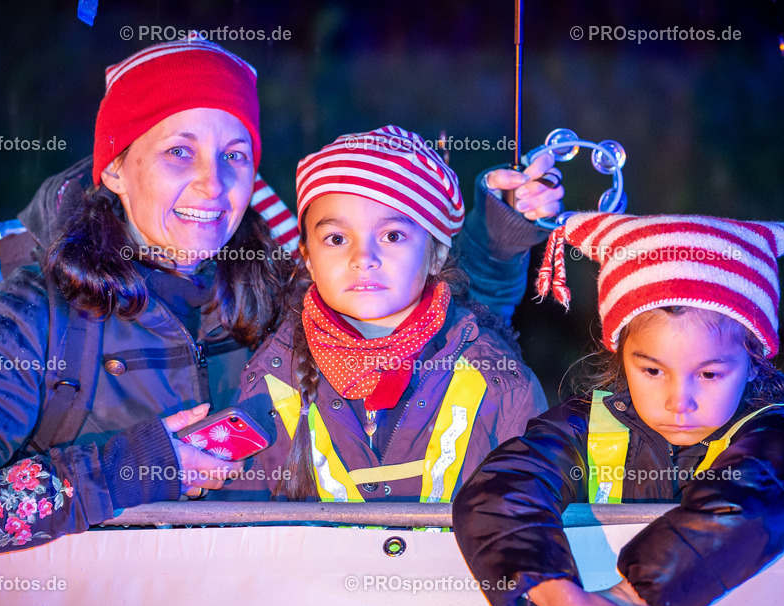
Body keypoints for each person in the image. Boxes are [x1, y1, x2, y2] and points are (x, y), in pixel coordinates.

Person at [0, 40, 292, 564]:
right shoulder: (38, 316)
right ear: (115, 169)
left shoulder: (287, 303)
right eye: (179, 151)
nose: (214, 184)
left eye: (235, 155)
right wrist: (130, 468)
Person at [452, 213, 784, 606]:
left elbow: (749, 503)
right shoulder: (584, 427)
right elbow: (499, 493)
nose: (677, 401)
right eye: (651, 370)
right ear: (619, 353)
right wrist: (561, 601)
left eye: (709, 374)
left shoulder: (780, 437)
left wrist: (628, 598)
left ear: (754, 360)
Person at [225, 126, 549, 502]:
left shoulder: (501, 384)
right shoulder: (268, 383)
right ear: (308, 258)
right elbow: (240, 535)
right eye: (336, 239)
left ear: (437, 254)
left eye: (392, 235)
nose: (363, 259)